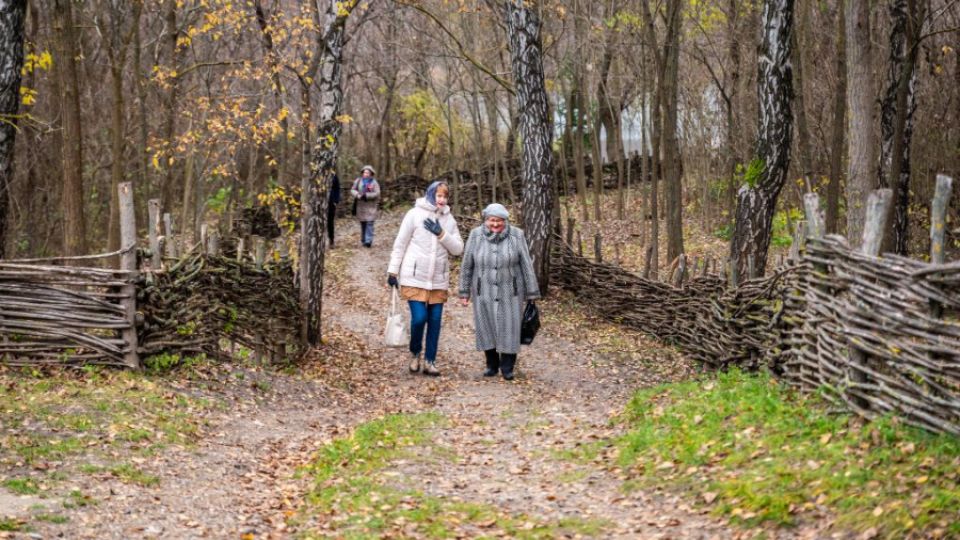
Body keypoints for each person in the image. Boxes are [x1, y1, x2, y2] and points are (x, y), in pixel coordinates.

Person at [387, 181, 464, 376]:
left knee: (435, 321)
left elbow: (458, 249)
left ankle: (430, 361)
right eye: (439, 195)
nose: (442, 200)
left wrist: (442, 234)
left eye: (445, 196)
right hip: (415, 278)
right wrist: (393, 271)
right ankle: (415, 354)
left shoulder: (449, 219)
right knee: (419, 319)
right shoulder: (414, 214)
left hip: (438, 280)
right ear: (431, 195)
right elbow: (400, 243)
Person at [458, 203, 540, 380]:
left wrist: (532, 293)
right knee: (486, 327)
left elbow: (526, 264)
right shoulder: (475, 235)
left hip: (510, 291)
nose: (495, 225)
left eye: (499, 221)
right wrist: (464, 292)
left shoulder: (517, 235)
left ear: (506, 221)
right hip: (483, 290)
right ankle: (491, 364)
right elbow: (466, 266)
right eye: (492, 220)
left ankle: (507, 366)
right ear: (485, 220)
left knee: (510, 327)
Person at [350, 165, 381, 247]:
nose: (366, 174)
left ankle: (368, 241)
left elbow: (377, 193)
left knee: (369, 223)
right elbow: (352, 189)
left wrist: (367, 195)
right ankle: (363, 240)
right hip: (361, 206)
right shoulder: (358, 180)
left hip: (371, 206)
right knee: (363, 223)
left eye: (367, 172)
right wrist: (358, 195)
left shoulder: (374, 182)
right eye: (364, 172)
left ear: (371, 173)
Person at [326, 172, 341, 248]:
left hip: (331, 202)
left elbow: (337, 188)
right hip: (319, 202)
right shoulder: (317, 172)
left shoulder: (333, 175)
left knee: (330, 222)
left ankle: (331, 240)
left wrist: (336, 201)